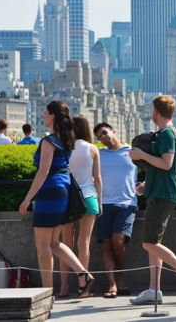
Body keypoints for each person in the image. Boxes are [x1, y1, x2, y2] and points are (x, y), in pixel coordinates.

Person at [18, 101, 94, 298]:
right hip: (63, 191)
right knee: (54, 243)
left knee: (42, 244)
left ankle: (46, 292)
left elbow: (42, 173)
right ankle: (83, 274)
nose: (43, 116)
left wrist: (27, 199)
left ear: (52, 116)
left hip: (49, 191)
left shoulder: (49, 141)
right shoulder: (66, 139)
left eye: (45, 112)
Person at [129, 95, 176, 304]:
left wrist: (141, 154)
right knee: (153, 242)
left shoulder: (167, 134)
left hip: (163, 195)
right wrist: (146, 184)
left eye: (152, 109)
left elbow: (167, 163)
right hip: (158, 192)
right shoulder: (168, 133)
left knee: (149, 243)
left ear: (156, 111)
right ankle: (153, 289)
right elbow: (166, 168)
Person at [58, 116, 102, 298]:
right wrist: (100, 203)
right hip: (89, 197)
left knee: (65, 244)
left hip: (68, 199)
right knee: (83, 243)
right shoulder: (92, 149)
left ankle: (63, 287)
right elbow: (97, 178)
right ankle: (83, 288)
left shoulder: (63, 147)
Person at [94, 122, 138, 298]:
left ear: (114, 130)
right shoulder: (98, 153)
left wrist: (143, 185)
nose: (103, 138)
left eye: (104, 133)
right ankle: (112, 284)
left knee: (118, 241)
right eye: (99, 137)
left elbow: (151, 170)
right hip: (103, 204)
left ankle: (120, 278)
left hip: (127, 204)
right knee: (105, 244)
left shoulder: (132, 151)